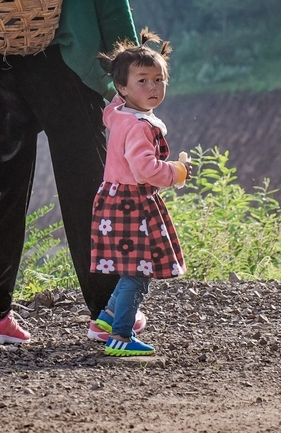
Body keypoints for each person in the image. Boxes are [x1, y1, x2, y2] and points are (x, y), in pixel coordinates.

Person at [0, 0, 144, 345]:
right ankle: (106, 313)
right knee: (89, 191)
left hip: (3, 64)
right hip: (70, 70)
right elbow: (111, 5)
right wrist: (131, 78)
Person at [89, 31, 189, 356]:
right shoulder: (139, 127)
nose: (153, 88)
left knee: (131, 267)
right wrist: (175, 172)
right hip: (132, 204)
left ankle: (106, 317)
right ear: (122, 88)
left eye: (159, 79)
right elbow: (145, 168)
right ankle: (120, 336)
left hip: (114, 201)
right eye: (143, 81)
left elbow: (117, 105)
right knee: (139, 272)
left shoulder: (118, 114)